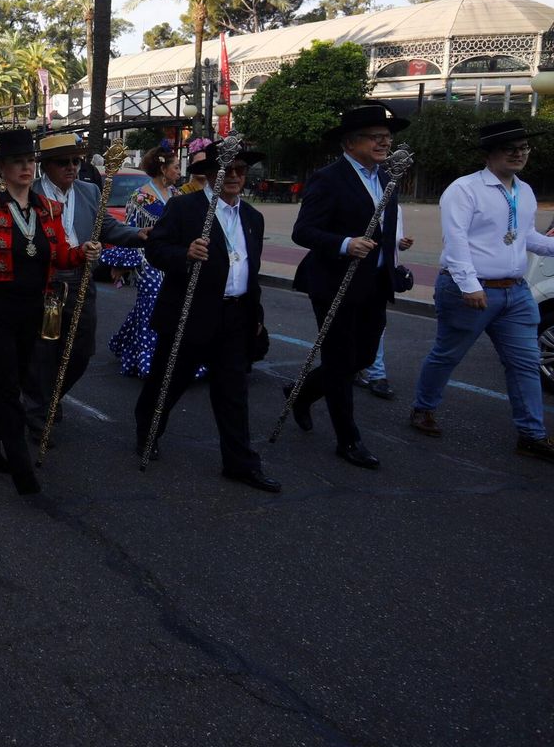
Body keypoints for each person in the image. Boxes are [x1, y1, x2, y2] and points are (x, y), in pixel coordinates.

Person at [0, 129, 89, 495]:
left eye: (29, 161)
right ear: (1, 168)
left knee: (9, 379)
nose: (25, 168)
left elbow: (59, 257)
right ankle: (21, 469)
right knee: (9, 387)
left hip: (34, 307)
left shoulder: (47, 209)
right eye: (16, 162)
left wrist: (84, 252)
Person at [134, 148, 280, 492]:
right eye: (225, 169)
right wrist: (184, 253)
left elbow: (250, 271)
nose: (233, 176)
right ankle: (149, 430)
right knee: (168, 382)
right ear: (210, 173)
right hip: (190, 313)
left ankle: (240, 463)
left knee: (233, 392)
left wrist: (255, 314)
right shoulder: (185, 207)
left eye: (240, 170)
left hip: (234, 316)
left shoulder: (253, 218)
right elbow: (156, 249)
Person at [410, 120, 554, 463]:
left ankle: (532, 434)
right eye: (510, 149)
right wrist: (470, 286)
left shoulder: (525, 190)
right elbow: (456, 241)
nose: (519, 154)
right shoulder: (464, 189)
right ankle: (423, 408)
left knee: (525, 362)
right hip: (469, 290)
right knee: (448, 354)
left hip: (515, 292)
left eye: (524, 148)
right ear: (490, 154)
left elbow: (525, 237)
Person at [285, 102, 411, 471]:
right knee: (340, 363)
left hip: (374, 283)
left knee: (365, 357)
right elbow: (303, 231)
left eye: (387, 137)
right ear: (351, 142)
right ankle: (348, 439)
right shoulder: (328, 178)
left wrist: (395, 252)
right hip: (333, 282)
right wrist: (345, 243)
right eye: (376, 137)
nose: (384, 143)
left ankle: (301, 393)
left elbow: (383, 228)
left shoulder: (387, 178)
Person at [21, 132, 144, 435]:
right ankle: (37, 416)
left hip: (81, 281)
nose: (71, 167)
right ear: (46, 166)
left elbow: (107, 227)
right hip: (47, 285)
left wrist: (139, 236)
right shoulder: (29, 193)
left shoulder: (89, 191)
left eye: (76, 161)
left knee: (80, 352)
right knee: (45, 351)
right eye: (63, 162)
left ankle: (51, 398)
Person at [104, 147, 195, 378]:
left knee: (172, 304)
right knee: (151, 302)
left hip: (173, 259)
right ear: (163, 169)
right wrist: (122, 263)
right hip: (149, 260)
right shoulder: (140, 197)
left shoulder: (177, 196)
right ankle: (147, 357)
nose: (178, 171)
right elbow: (130, 231)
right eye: (175, 166)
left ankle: (160, 353)